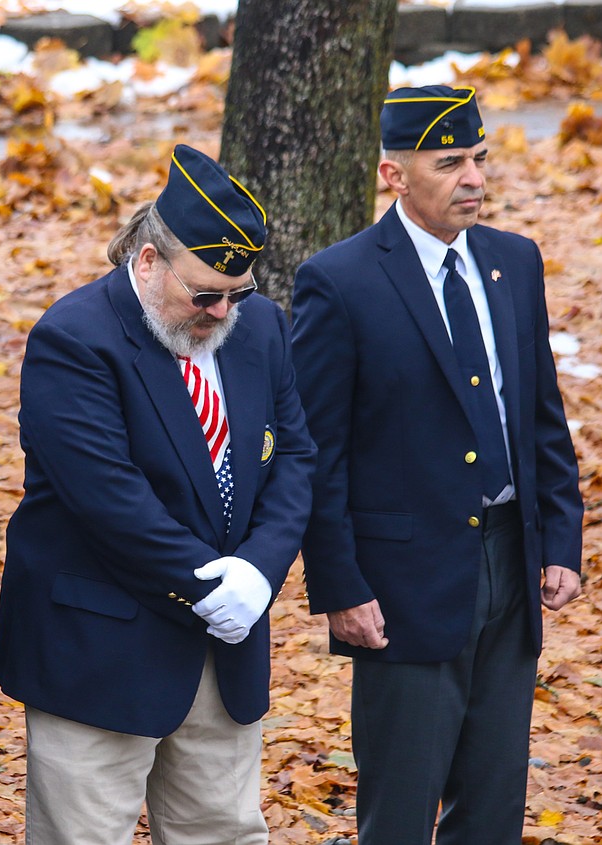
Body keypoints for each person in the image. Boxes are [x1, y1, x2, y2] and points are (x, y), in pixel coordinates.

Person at [0, 145, 316, 845]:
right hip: (101, 648)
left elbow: (292, 454)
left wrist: (259, 571)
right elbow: (106, 495)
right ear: (147, 262)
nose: (222, 311)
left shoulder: (259, 328)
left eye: (239, 292)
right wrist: (208, 583)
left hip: (223, 648)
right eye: (205, 294)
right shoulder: (74, 339)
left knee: (224, 834)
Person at [291, 86, 583, 845]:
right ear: (393, 175)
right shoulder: (341, 281)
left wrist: (560, 541)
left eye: (480, 160)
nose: (474, 179)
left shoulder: (513, 263)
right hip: (401, 589)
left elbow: (540, 414)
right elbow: (316, 454)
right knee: (400, 811)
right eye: (449, 163)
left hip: (511, 569)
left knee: (491, 808)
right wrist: (341, 586)